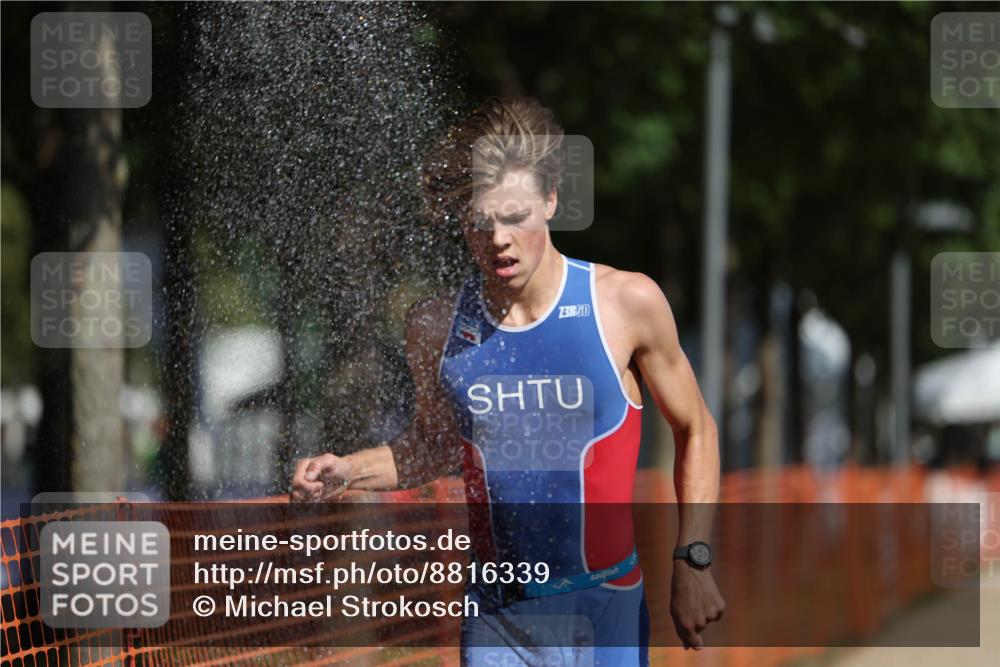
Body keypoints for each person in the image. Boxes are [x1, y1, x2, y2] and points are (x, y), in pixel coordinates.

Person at [291, 96, 725, 664]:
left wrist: (693, 559)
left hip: (605, 608)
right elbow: (433, 446)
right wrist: (349, 470)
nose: (498, 238)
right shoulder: (435, 326)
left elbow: (697, 429)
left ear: (550, 200)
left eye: (516, 217)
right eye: (480, 222)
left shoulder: (624, 303)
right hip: (497, 619)